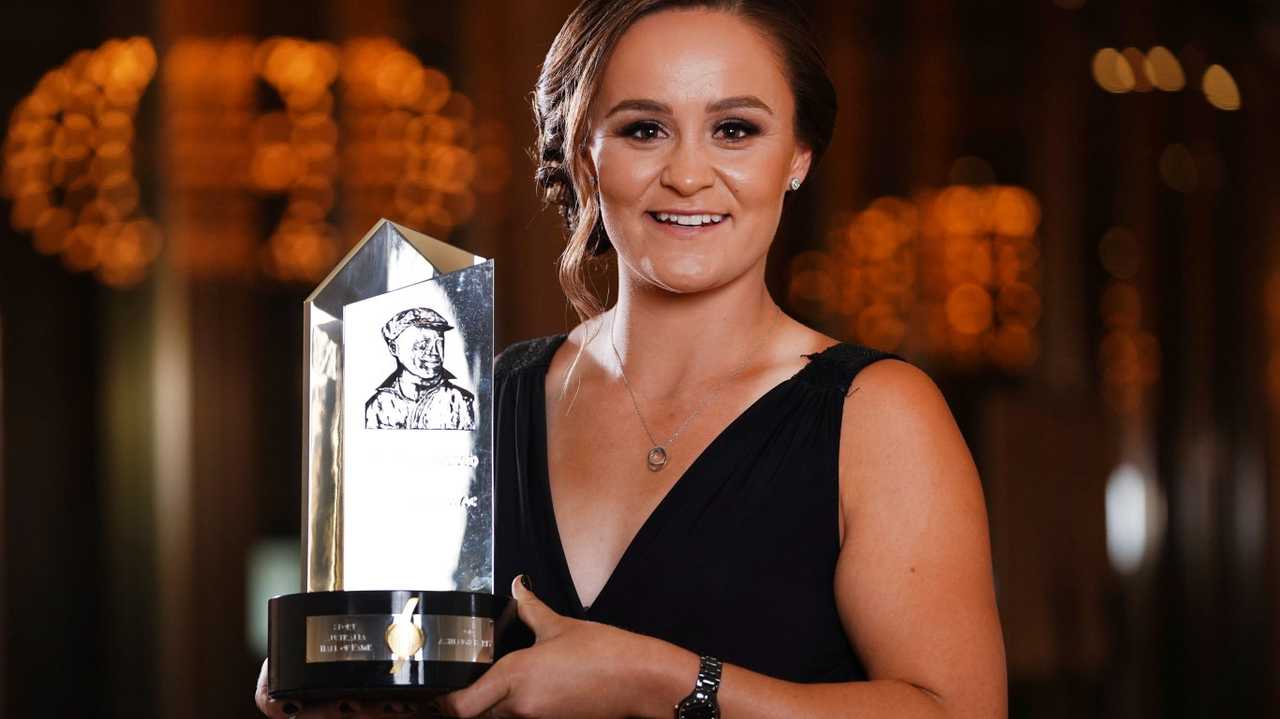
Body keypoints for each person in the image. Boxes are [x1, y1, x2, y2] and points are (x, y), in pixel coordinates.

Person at [257, 1, 1006, 716]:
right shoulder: (481, 403)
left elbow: (960, 712)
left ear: (799, 157)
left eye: (736, 130)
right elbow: (414, 671)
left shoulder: (877, 415)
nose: (687, 174)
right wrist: (341, 675)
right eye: (644, 129)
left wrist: (657, 680)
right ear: (584, 157)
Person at [365, 307, 477, 431]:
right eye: (422, 345)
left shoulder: (460, 401)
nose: (434, 352)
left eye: (439, 344)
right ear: (394, 348)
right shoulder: (378, 404)